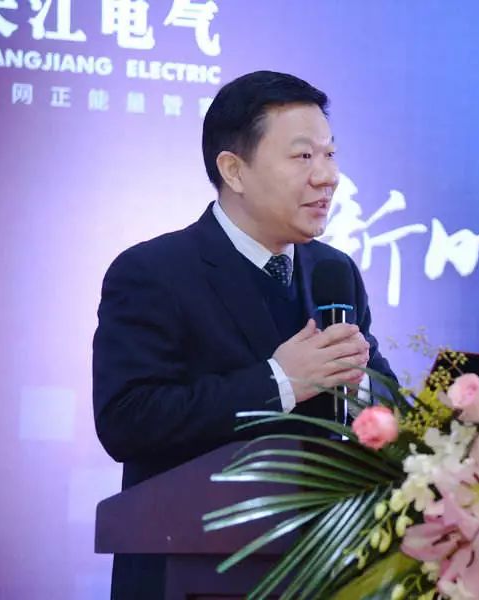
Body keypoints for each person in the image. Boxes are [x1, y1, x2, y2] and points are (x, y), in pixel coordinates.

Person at [92, 70, 395, 599]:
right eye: (303, 156)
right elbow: (127, 419)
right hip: (190, 577)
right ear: (233, 170)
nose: (327, 176)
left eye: (330, 154)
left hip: (324, 572)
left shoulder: (334, 271)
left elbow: (390, 405)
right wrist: (280, 383)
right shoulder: (154, 272)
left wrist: (362, 387)